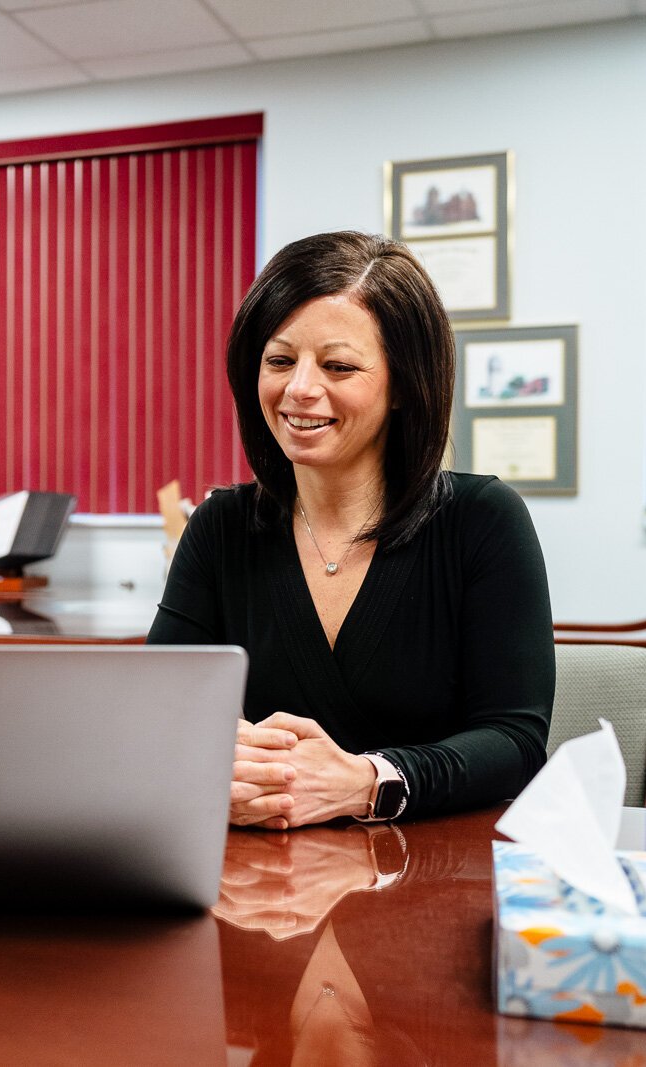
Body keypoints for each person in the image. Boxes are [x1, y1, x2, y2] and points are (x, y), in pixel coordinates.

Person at [148, 231, 553, 827]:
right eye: (280, 361)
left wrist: (369, 782)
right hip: (261, 872)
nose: (299, 389)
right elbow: (158, 714)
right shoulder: (220, 527)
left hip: (430, 866)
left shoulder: (482, 519)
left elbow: (515, 741)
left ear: (404, 385)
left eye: (338, 366)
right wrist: (218, 755)